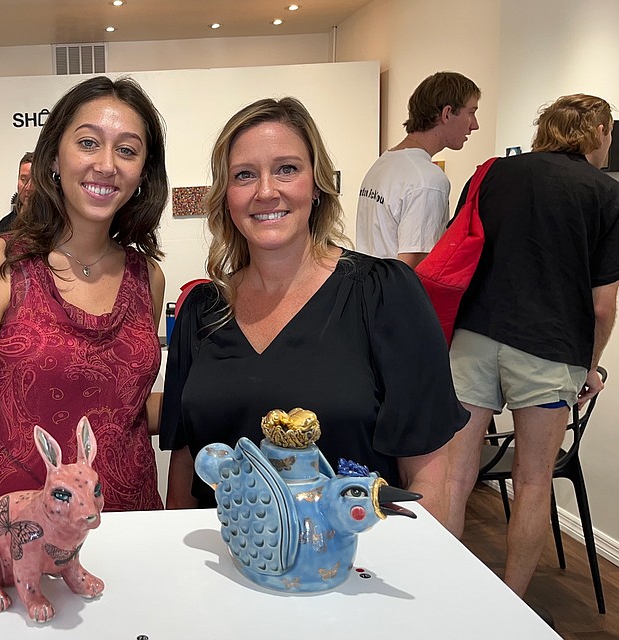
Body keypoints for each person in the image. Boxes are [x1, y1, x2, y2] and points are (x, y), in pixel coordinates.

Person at [161, 97, 468, 525]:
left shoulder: (384, 295)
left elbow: (430, 478)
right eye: (244, 175)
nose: (266, 191)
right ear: (226, 196)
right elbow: (185, 474)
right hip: (228, 569)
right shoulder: (203, 312)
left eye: (287, 169)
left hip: (350, 572)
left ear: (317, 183)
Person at [0, 76, 169, 517]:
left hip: (133, 523)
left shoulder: (148, 277)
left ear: (143, 173)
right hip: (26, 531)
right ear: (53, 157)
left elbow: (123, 406)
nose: (106, 165)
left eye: (126, 150)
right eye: (88, 143)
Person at [444, 94, 619, 597]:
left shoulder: (493, 172)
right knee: (534, 481)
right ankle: (512, 603)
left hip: (475, 337)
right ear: (598, 132)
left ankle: (444, 593)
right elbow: (603, 307)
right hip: (550, 350)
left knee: (456, 476)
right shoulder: (605, 194)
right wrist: (593, 366)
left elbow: (461, 251)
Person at [356, 71, 480, 267]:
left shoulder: (384, 163)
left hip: (369, 290)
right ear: (447, 113)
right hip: (394, 296)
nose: (475, 125)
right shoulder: (428, 180)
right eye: (471, 112)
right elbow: (413, 268)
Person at [0, 152, 34, 236]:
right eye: (23, 179)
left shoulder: (55, 224)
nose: (28, 187)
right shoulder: (2, 227)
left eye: (34, 180)